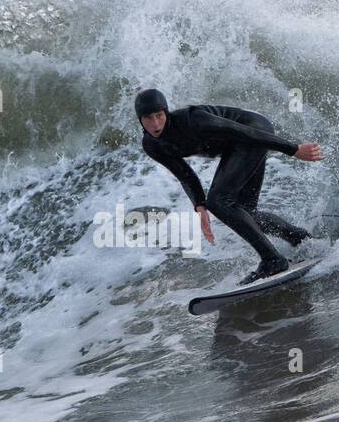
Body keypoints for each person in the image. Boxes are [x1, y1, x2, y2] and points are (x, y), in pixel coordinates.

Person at [134, 88, 323, 284]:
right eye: (148, 118)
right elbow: (185, 174)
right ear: (140, 120)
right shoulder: (152, 145)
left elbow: (242, 131)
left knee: (218, 201)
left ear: (166, 112)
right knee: (245, 214)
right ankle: (300, 238)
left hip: (252, 132)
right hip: (236, 147)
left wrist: (294, 150)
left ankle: (273, 260)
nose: (155, 123)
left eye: (159, 115)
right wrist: (199, 205)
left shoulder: (193, 120)